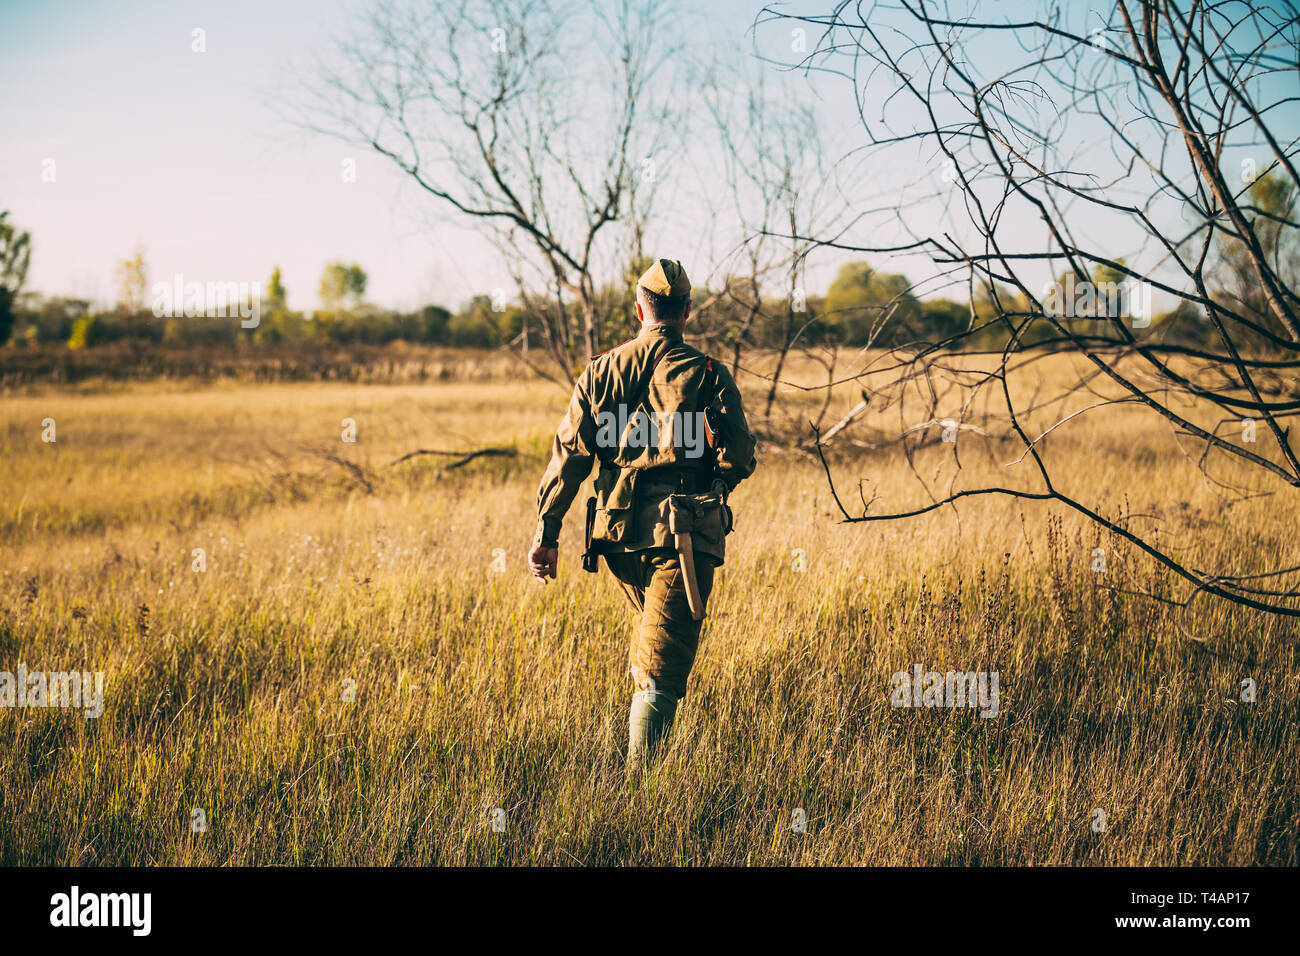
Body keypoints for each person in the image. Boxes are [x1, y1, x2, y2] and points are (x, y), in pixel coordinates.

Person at [528, 257, 757, 768]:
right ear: (688, 312)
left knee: (655, 648)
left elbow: (569, 458)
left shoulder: (599, 371)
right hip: (680, 540)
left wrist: (547, 533)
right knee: (662, 667)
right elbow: (740, 453)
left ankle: (643, 767)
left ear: (640, 309)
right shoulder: (707, 373)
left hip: (616, 541)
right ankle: (639, 797)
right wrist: (718, 483)